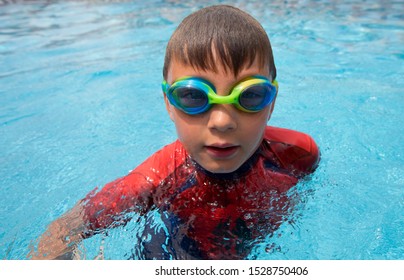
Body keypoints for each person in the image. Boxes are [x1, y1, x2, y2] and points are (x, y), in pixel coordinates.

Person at [30, 4, 320, 260]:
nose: (222, 121)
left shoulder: (299, 155)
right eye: (193, 97)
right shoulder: (152, 181)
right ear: (169, 103)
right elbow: (63, 232)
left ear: (272, 103)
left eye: (251, 95)